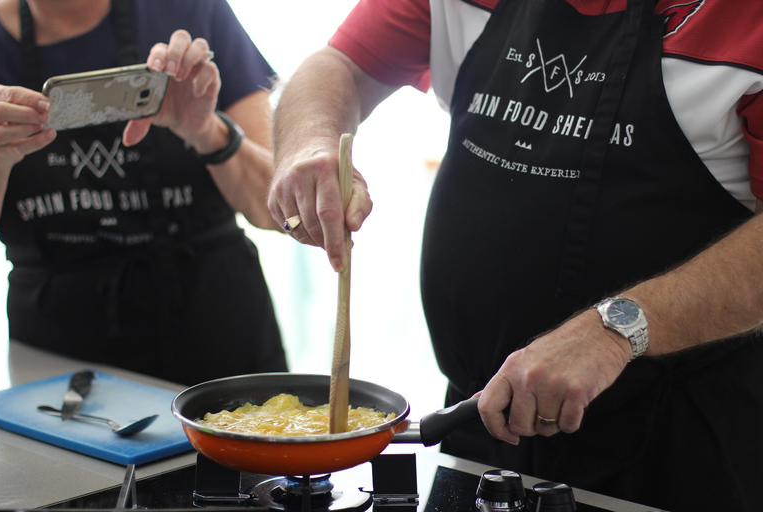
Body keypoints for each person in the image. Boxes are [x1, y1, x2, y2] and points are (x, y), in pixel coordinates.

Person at [268, 0, 763, 510]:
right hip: (476, 423)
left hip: (673, 445)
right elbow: (339, 65)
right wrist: (307, 143)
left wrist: (617, 329)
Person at [0, 0, 288, 386]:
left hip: (220, 331)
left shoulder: (190, 11)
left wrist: (205, 131)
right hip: (61, 368)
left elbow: (279, 211)